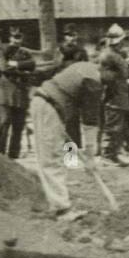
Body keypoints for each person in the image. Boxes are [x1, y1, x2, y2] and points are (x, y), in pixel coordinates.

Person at [29, 57, 114, 218]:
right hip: (49, 106)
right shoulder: (93, 82)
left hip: (48, 104)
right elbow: (89, 122)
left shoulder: (85, 66)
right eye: (114, 76)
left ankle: (59, 203)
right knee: (52, 158)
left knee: (52, 157)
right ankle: (62, 209)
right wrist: (90, 156)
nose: (112, 82)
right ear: (107, 69)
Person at [0, 26, 36, 158]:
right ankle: (0, 153)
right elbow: (3, 68)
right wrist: (23, 71)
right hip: (5, 93)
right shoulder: (3, 50)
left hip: (21, 93)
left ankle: (14, 155)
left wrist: (16, 65)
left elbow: (32, 65)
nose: (16, 40)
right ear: (10, 38)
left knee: (18, 125)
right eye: (14, 37)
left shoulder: (25, 52)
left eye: (19, 37)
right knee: (4, 123)